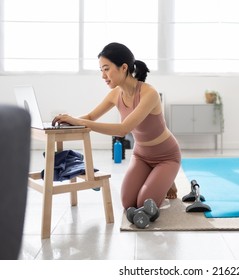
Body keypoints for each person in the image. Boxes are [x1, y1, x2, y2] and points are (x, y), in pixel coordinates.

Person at [52, 42, 181, 209]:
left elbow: (123, 129)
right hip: (141, 156)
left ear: (124, 67)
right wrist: (68, 120)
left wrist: (80, 122)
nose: (103, 75)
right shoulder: (115, 94)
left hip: (166, 156)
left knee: (144, 203)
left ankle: (167, 179)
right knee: (128, 203)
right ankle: (159, 178)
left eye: (106, 69)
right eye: (101, 70)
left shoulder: (149, 93)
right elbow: (91, 116)